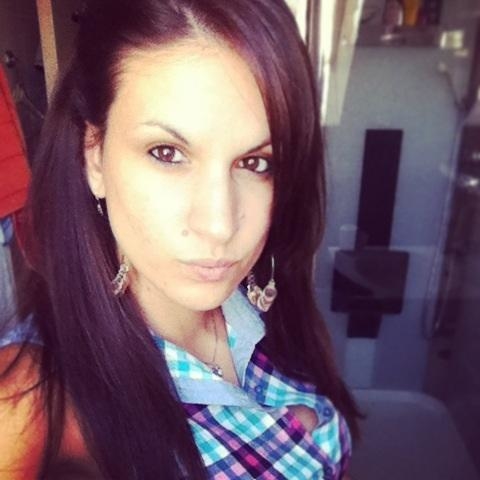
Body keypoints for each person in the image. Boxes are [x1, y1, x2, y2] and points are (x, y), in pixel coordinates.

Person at [0, 0, 363, 478]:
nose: (220, 224)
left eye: (255, 163)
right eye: (167, 153)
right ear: (94, 156)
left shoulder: (263, 307)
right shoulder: (31, 400)